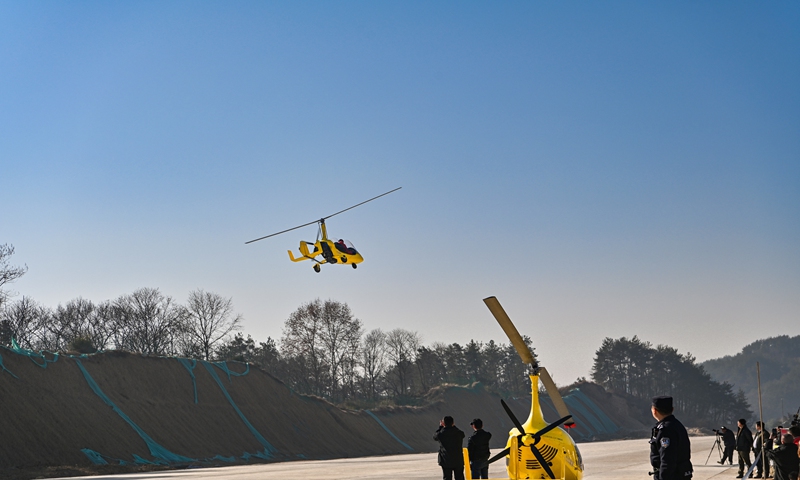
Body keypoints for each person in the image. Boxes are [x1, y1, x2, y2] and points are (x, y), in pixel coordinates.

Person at [650, 396, 693, 480]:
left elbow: (667, 459)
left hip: (672, 476)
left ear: (654, 411)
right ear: (672, 409)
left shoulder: (666, 429)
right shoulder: (676, 425)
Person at [435, 416, 466, 480]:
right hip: (458, 460)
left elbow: (435, 436)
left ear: (443, 423)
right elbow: (462, 434)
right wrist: (453, 426)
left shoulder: (441, 433)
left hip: (446, 459)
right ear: (453, 423)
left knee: (447, 477)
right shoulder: (458, 433)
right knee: (459, 477)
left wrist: (440, 427)